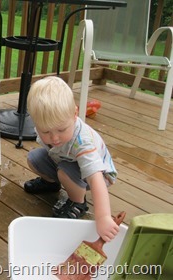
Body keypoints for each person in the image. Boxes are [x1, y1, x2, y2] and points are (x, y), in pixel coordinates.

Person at [24, 76, 119, 242]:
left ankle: (77, 203)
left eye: (61, 129)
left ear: (75, 114)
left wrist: (103, 217)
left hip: (99, 175)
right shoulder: (50, 125)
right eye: (45, 132)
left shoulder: (83, 143)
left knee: (65, 172)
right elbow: (52, 144)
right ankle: (51, 184)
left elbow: (96, 178)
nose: (54, 138)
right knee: (34, 158)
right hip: (65, 160)